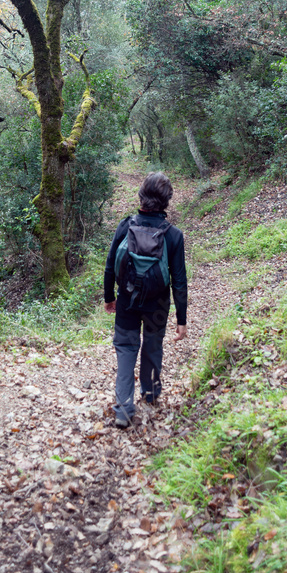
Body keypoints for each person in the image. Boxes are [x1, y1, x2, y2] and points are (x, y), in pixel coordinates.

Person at [103, 171, 187, 428]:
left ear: (141, 195)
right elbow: (179, 280)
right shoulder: (173, 235)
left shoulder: (125, 225)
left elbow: (109, 266)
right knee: (152, 346)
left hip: (126, 300)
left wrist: (109, 297)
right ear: (167, 201)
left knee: (126, 350)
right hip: (158, 304)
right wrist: (181, 319)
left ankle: (124, 409)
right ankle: (150, 394)